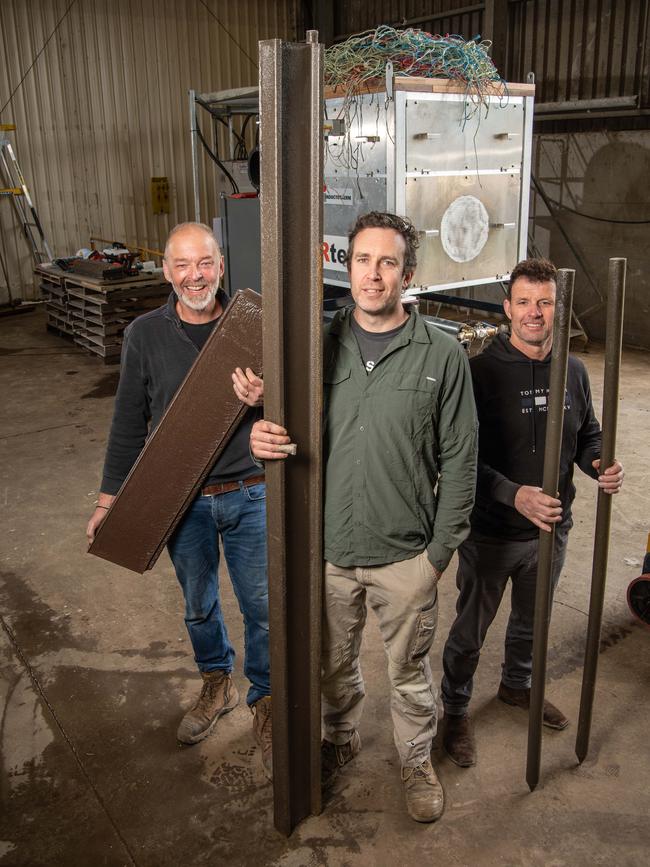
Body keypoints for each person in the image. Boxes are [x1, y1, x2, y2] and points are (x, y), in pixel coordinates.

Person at [250, 211, 478, 823]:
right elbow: (277, 420)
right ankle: (341, 735)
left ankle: (415, 759)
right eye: (361, 260)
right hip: (328, 550)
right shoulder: (313, 345)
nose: (372, 275)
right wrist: (262, 433)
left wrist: (436, 559)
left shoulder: (443, 353)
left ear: (409, 273)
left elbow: (461, 462)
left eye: (387, 263)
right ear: (343, 265)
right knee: (330, 663)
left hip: (407, 554)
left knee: (407, 674)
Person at [86, 222, 273, 779]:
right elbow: (128, 423)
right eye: (183, 266)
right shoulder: (145, 334)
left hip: (251, 492)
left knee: (262, 609)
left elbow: (300, 413)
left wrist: (267, 399)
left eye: (206, 263)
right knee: (198, 603)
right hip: (181, 499)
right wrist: (106, 502)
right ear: (166, 271)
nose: (195, 276)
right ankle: (217, 682)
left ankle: (264, 699)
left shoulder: (253, 330)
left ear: (221, 265)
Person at [440, 257, 625, 768]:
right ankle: (454, 709)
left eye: (545, 302)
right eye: (524, 302)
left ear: (558, 307)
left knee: (532, 619)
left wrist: (599, 463)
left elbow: (588, 433)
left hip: (551, 530)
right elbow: (458, 459)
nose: (535, 313)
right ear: (507, 308)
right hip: (493, 533)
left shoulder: (575, 370)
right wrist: (512, 494)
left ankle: (516, 686)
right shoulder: (478, 374)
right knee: (470, 629)